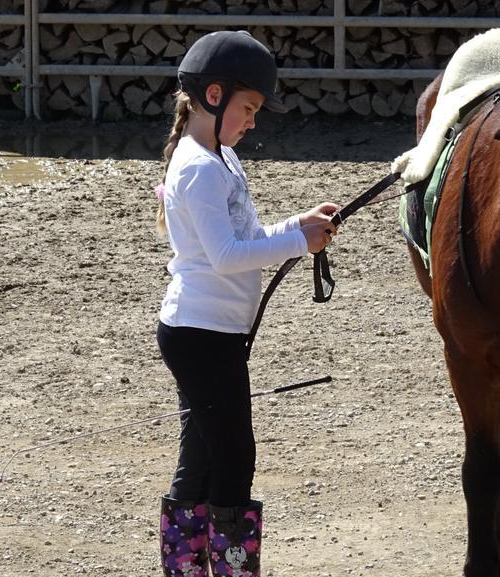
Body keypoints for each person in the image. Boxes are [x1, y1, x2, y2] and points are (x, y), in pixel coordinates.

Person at [154, 30, 338, 577]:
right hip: (201, 334)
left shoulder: (223, 159)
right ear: (215, 96)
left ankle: (189, 567)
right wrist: (299, 244)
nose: (254, 120)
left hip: (214, 333)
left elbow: (248, 234)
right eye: (249, 107)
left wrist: (297, 226)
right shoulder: (198, 168)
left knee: (206, 456)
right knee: (234, 458)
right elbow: (229, 255)